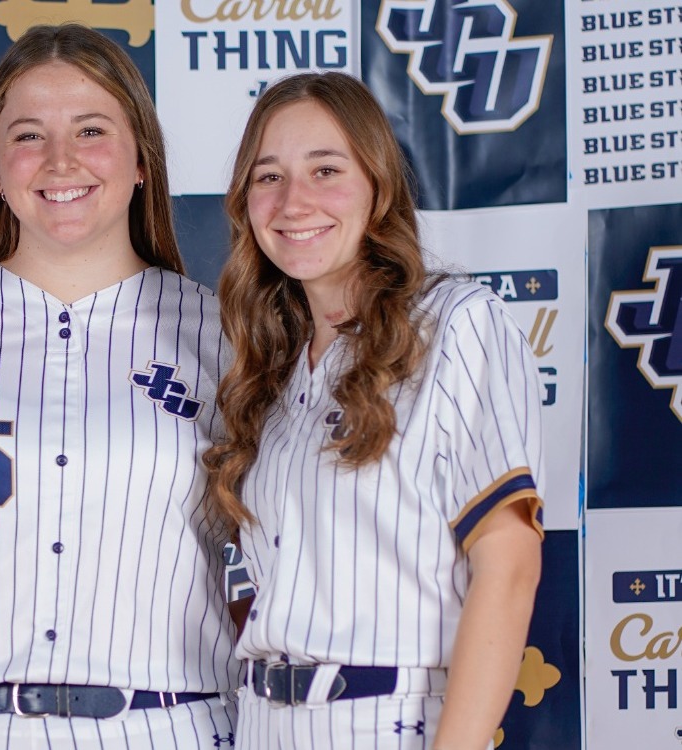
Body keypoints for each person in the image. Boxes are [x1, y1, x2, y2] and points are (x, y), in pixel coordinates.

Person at [0, 23, 241, 749]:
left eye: (91, 130)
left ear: (140, 159)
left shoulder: (224, 336)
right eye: (29, 135)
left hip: (164, 727)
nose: (61, 160)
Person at [205, 71, 544, 749]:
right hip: (263, 722)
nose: (293, 201)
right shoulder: (268, 368)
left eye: (325, 170)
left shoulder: (453, 323)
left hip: (391, 721)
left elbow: (508, 565)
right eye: (268, 177)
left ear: (377, 187)